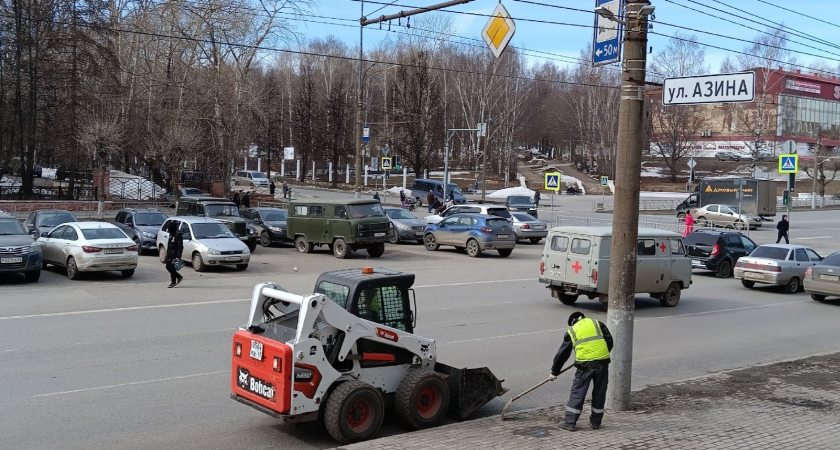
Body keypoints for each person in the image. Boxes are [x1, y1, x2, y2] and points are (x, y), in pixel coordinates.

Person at [551, 311, 613, 432]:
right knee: (600, 392)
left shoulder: (573, 330)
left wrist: (554, 371)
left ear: (573, 320)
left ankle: (569, 423)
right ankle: (596, 422)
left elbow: (562, 354)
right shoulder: (597, 323)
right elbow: (609, 341)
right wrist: (599, 355)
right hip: (602, 363)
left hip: (585, 366)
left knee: (578, 392)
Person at [164, 222, 184, 288]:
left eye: (169, 229)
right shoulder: (171, 235)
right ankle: (178, 276)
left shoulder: (178, 235)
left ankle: (173, 282)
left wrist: (178, 256)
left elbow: (180, 247)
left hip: (174, 255)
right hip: (169, 254)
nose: (168, 231)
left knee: (172, 269)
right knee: (167, 267)